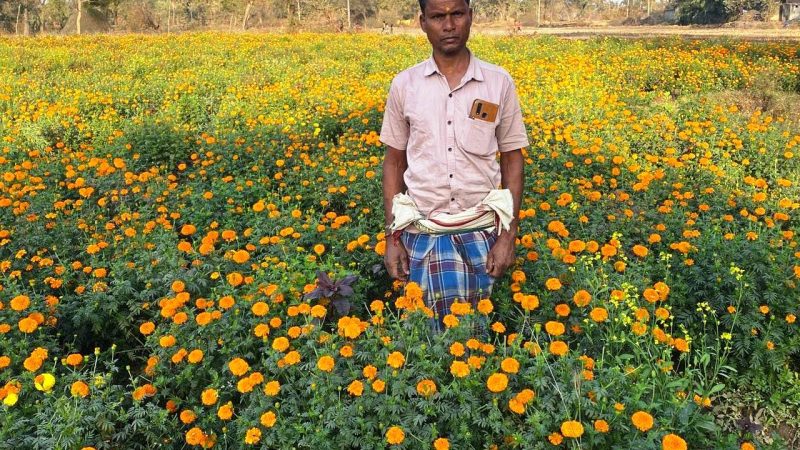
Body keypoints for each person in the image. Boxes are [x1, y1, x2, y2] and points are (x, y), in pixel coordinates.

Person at [380, 0, 528, 330]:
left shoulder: (497, 83)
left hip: (482, 236)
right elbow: (394, 163)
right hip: (422, 235)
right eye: (438, 16)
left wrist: (508, 237)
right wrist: (392, 239)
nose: (449, 25)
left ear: (470, 17)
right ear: (423, 22)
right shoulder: (405, 85)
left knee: (479, 343)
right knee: (424, 344)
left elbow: (512, 158)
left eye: (457, 14)